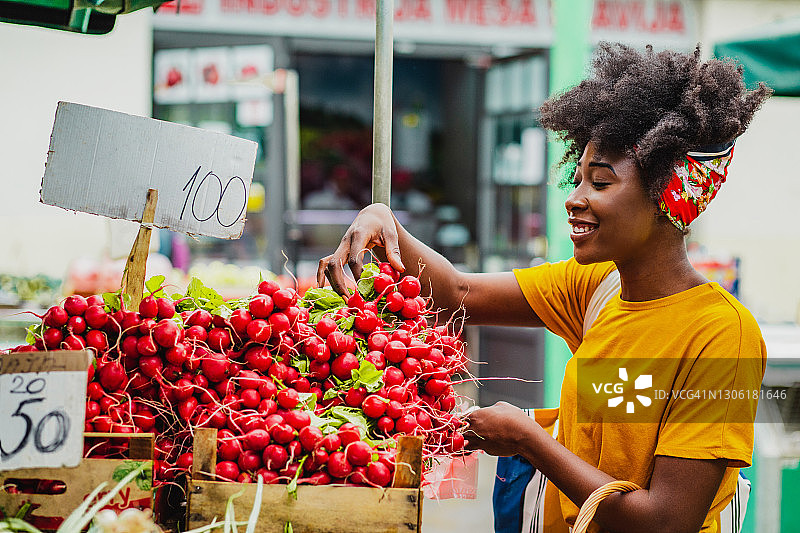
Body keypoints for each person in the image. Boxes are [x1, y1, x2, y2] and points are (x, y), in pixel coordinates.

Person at [317, 43, 771, 533]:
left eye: (600, 183)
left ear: (668, 194)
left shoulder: (722, 334)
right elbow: (454, 291)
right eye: (578, 179)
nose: (574, 200)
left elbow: (665, 522)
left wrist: (529, 439)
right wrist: (384, 221)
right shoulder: (598, 286)